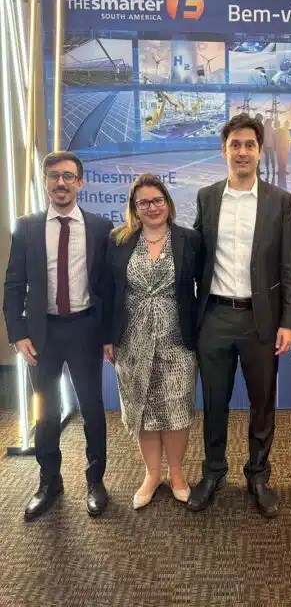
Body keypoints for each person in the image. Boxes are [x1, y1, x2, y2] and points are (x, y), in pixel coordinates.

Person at [187, 113, 291, 519]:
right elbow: (196, 254)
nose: (242, 152)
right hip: (215, 317)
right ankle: (213, 472)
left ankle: (258, 475)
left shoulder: (280, 201)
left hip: (261, 321)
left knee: (262, 404)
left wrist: (288, 321)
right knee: (214, 401)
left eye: (249, 145)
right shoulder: (207, 197)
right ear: (224, 150)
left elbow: (290, 265)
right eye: (235, 144)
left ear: (259, 150)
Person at [3, 151, 112, 520]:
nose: (61, 183)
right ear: (45, 181)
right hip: (41, 334)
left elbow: (108, 287)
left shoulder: (100, 227)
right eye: (54, 176)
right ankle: (49, 481)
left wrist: (109, 333)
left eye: (68, 176)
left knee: (93, 410)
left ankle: (96, 481)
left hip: (85, 330)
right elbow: (13, 284)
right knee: (45, 411)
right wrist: (17, 333)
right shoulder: (27, 227)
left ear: (80, 182)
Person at [104, 174, 201, 510]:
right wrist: (108, 337)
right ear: (135, 207)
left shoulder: (189, 239)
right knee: (142, 408)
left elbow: (202, 287)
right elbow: (108, 290)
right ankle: (151, 474)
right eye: (143, 202)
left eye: (157, 200)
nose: (152, 207)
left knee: (176, 409)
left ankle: (176, 474)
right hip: (131, 340)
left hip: (178, 340)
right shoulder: (119, 240)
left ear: (167, 203)